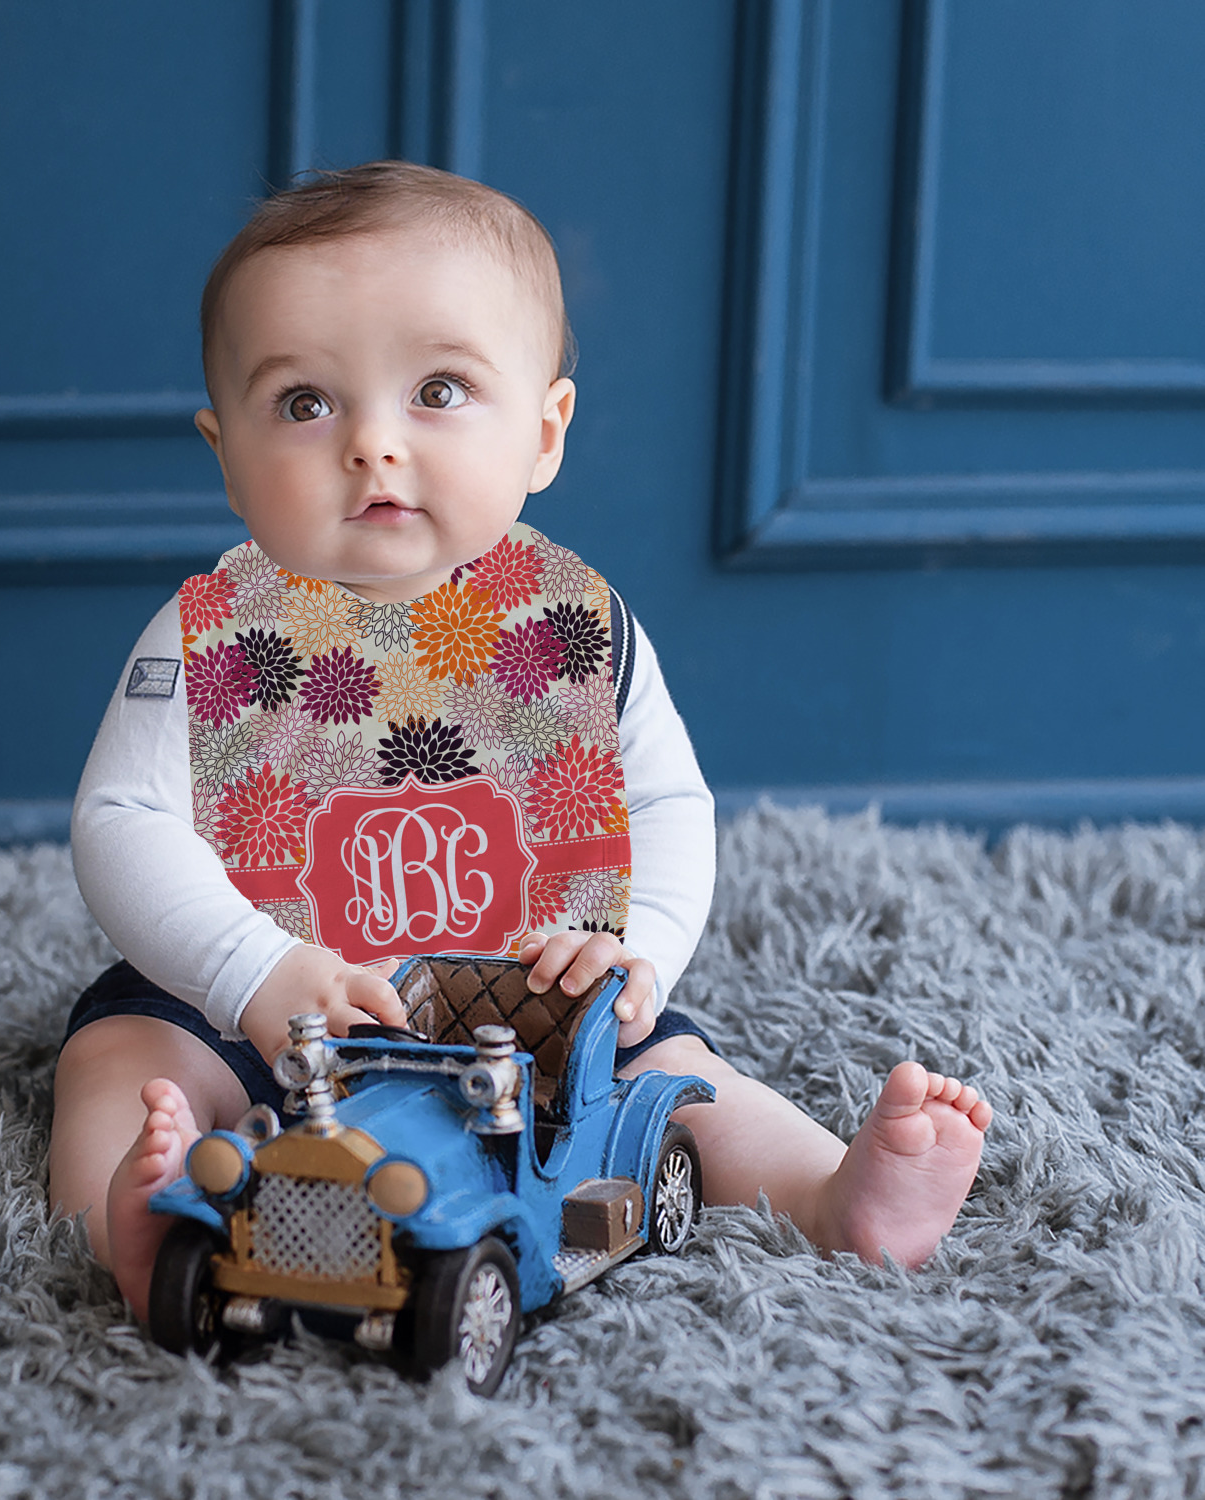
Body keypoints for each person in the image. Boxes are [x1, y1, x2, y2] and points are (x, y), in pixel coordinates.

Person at [49, 161, 992, 1320]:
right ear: (226, 453)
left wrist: (636, 957)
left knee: (676, 1079)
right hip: (259, 1008)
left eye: (438, 390)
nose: (372, 444)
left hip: (523, 1006)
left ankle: (832, 1193)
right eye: (303, 404)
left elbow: (665, 806)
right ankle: (142, 1224)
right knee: (122, 1062)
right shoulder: (208, 637)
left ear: (545, 433)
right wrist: (250, 971)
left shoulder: (573, 628)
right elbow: (121, 822)